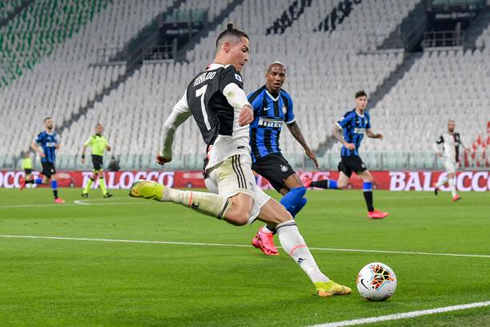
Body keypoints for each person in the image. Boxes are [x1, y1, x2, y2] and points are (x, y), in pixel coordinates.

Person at [128, 23, 350, 297]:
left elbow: (169, 124)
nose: (247, 57)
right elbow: (233, 92)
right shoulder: (229, 74)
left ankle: (321, 280)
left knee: (284, 219)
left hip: (213, 166)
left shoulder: (193, 85)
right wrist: (244, 105)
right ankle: (168, 194)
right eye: (244, 50)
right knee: (240, 214)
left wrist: (166, 153)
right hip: (233, 159)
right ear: (226, 47)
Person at [247, 62, 318, 256]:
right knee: (300, 188)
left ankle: (264, 233)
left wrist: (306, 148)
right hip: (260, 155)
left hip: (274, 154)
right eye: (274, 74)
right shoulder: (255, 99)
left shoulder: (285, 100)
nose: (278, 78)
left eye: (282, 75)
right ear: (266, 75)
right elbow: (237, 123)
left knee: (298, 200)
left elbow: (292, 125)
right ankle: (265, 232)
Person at [303, 91, 388, 219]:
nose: (363, 102)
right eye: (360, 99)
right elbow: (335, 130)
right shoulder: (350, 115)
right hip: (349, 155)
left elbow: (368, 132)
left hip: (351, 155)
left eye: (365, 100)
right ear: (356, 101)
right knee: (368, 178)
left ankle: (310, 183)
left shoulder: (366, 117)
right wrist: (346, 143)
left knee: (341, 184)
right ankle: (371, 211)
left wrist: (376, 136)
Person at [20, 117, 65, 203]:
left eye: (51, 122)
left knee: (45, 181)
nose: (50, 123)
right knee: (54, 177)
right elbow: (33, 144)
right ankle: (56, 198)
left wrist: (57, 146)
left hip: (51, 160)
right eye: (48, 122)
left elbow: (57, 146)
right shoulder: (42, 135)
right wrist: (39, 151)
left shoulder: (55, 135)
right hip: (46, 160)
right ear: (45, 124)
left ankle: (25, 182)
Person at [433, 120, 468, 201]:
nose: (451, 126)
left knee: (450, 176)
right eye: (450, 125)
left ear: (454, 126)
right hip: (447, 158)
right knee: (451, 175)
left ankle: (437, 185)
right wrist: (437, 151)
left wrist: (467, 148)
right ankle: (454, 195)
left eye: (452, 125)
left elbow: (462, 142)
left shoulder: (457, 135)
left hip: (455, 160)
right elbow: (434, 144)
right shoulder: (444, 136)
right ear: (448, 126)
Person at [81, 123, 113, 198]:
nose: (100, 129)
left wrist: (108, 148)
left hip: (100, 157)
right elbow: (85, 145)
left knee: (94, 175)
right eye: (98, 128)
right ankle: (105, 193)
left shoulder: (103, 138)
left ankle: (85, 192)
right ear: (96, 129)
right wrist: (83, 156)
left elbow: (108, 148)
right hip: (95, 157)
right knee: (101, 173)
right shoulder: (93, 137)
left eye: (101, 128)